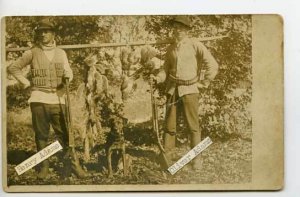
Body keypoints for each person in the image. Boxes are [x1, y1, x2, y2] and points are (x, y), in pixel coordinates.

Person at [7, 18, 87, 179]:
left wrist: (67, 76)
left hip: (58, 99)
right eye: (40, 32)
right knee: (41, 135)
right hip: (38, 99)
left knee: (65, 134)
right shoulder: (32, 52)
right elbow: (13, 67)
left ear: (53, 34)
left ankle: (73, 165)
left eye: (46, 31)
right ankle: (44, 167)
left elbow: (68, 72)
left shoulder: (61, 53)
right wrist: (25, 82)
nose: (43, 34)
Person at [152, 16, 219, 170]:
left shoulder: (196, 45)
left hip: (190, 90)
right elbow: (165, 69)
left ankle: (197, 158)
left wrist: (204, 83)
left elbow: (213, 65)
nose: (177, 31)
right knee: (169, 125)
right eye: (175, 28)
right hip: (173, 89)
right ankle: (167, 157)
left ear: (187, 30)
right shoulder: (171, 48)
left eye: (181, 28)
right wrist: (158, 77)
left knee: (193, 126)